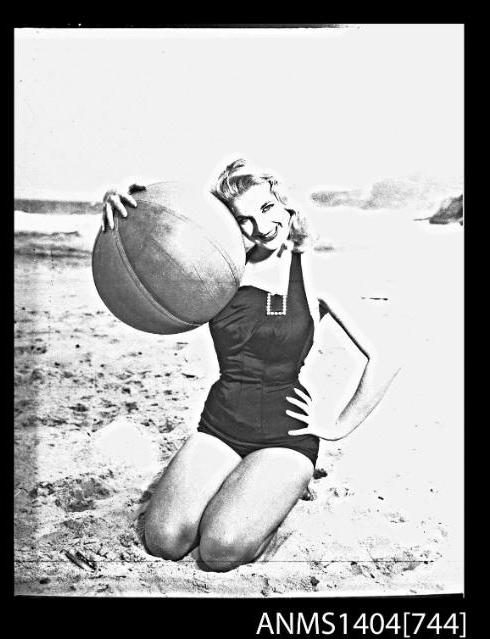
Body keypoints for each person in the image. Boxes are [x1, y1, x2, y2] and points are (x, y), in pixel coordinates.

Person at [100, 159, 402, 572]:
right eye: (243, 220)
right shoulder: (213, 269)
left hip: (286, 435)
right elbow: (155, 252)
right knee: (164, 541)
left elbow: (387, 355)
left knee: (220, 550)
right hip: (221, 427)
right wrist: (130, 205)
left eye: (265, 209)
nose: (260, 227)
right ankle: (254, 492)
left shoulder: (315, 270)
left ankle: (278, 496)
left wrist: (337, 427)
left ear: (283, 204)